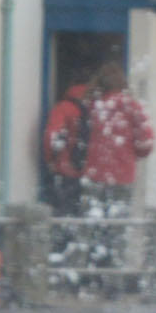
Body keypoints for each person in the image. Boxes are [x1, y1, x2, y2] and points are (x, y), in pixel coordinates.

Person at [77, 60, 155, 235]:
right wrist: (133, 154)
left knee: (90, 227)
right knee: (117, 229)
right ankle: (112, 261)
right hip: (122, 175)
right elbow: (146, 141)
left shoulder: (93, 106)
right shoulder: (131, 106)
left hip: (94, 174)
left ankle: (89, 260)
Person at [41, 75, 96, 217]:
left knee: (62, 216)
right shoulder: (96, 109)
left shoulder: (64, 108)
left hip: (65, 171)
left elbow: (52, 138)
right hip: (91, 176)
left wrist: (50, 161)